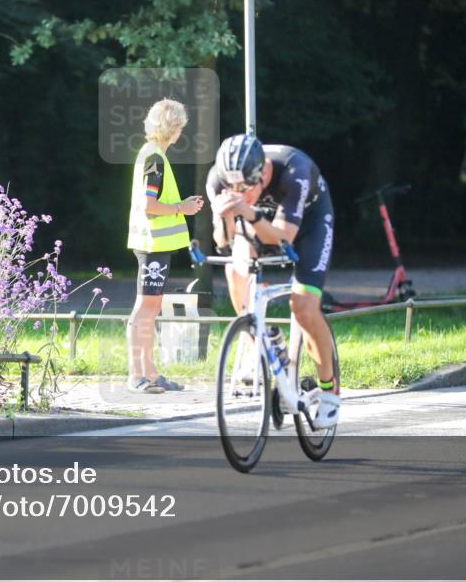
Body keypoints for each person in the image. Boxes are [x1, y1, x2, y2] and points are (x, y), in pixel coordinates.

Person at [206, 134, 339, 427]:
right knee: (235, 269)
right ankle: (262, 341)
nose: (240, 192)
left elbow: (283, 237)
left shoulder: (295, 171)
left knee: (303, 307)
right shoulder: (218, 180)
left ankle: (330, 391)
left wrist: (248, 212)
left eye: (247, 187)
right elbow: (222, 242)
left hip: (307, 224)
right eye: (233, 187)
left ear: (264, 171)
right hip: (258, 219)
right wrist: (226, 217)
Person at [126, 99, 204, 393]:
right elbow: (150, 205)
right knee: (145, 308)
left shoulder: (152, 154)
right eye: (180, 127)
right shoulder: (155, 158)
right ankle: (137, 375)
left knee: (151, 307)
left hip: (154, 244)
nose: (181, 133)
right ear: (173, 127)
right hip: (152, 244)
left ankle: (151, 373)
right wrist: (181, 208)